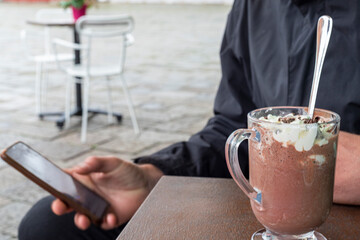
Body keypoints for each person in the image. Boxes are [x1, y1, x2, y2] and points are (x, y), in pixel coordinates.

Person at [18, 0, 360, 239]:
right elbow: (230, 128)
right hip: (264, 209)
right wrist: (153, 178)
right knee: (47, 226)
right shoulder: (254, 6)